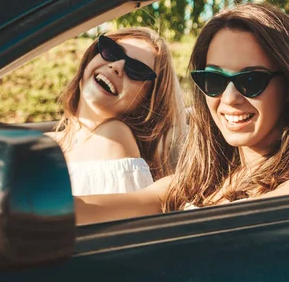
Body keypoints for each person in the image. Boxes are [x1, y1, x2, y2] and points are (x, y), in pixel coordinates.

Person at [74, 3, 289, 224]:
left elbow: (222, 240)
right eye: (214, 81)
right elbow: (101, 209)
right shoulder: (202, 181)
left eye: (251, 81)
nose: (229, 98)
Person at [47, 27, 186, 196]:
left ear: (147, 101)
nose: (116, 66)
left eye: (136, 69)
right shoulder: (49, 141)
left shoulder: (114, 137)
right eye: (111, 51)